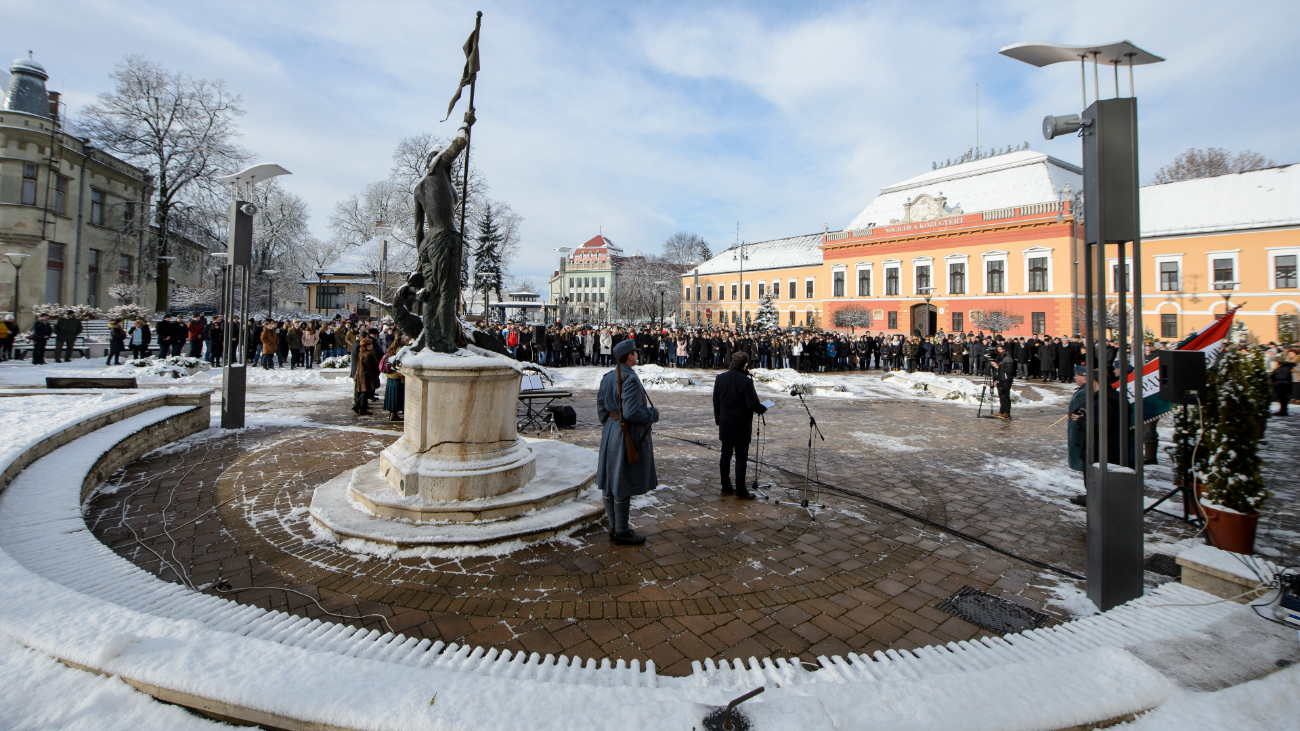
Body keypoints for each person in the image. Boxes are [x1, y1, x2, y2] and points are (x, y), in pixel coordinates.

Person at [596, 338, 658, 546]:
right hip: (625, 434)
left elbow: (601, 407)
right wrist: (652, 414)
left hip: (612, 431)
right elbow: (632, 412)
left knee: (610, 482)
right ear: (630, 356)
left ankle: (615, 528)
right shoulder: (629, 379)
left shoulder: (607, 377)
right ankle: (621, 531)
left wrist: (610, 424)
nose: (637, 355)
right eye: (635, 353)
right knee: (621, 482)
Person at [712, 351, 769, 499]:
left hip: (725, 423)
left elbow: (716, 401)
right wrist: (763, 408)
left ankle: (725, 486)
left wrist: (719, 420)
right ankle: (741, 489)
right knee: (741, 457)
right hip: (741, 425)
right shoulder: (746, 381)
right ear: (744, 364)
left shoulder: (720, 378)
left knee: (725, 454)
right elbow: (753, 404)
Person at [1067, 367, 1123, 507]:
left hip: (1099, 447)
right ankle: (1092, 495)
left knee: (1094, 475)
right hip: (1104, 446)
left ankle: (1094, 497)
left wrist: (1081, 419)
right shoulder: (1110, 398)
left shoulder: (1104, 402)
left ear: (1095, 383)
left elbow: (1099, 425)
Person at [353, 338, 379, 415]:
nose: (372, 345)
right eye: (370, 344)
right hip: (367, 375)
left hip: (363, 374)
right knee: (366, 392)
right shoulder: (368, 354)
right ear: (367, 345)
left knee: (365, 392)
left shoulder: (362, 352)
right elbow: (373, 365)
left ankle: (358, 406)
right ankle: (361, 407)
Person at [382, 339, 405, 420]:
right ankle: (393, 414)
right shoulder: (400, 348)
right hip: (396, 376)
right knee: (396, 396)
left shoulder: (392, 347)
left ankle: (392, 414)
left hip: (390, 376)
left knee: (391, 396)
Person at [994, 344, 1015, 419]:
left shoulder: (1008, 358)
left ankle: (1007, 412)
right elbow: (996, 371)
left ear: (1004, 350)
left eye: (1000, 349)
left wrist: (998, 367)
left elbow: (1009, 370)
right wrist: (995, 379)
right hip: (1000, 379)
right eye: (998, 349)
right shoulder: (999, 358)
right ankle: (1001, 411)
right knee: (1001, 396)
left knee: (1005, 396)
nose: (999, 351)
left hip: (1006, 380)